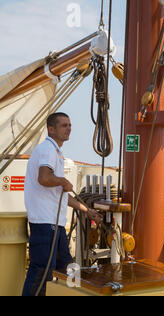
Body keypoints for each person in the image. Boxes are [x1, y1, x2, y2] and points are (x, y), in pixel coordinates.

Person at [22, 112, 102, 296]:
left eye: (70, 125)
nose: (69, 128)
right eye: (64, 125)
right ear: (51, 129)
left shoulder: (56, 152)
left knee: (66, 267)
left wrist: (87, 210)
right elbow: (44, 178)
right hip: (44, 223)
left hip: (54, 224)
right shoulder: (47, 149)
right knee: (41, 271)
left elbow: (62, 196)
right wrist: (62, 181)